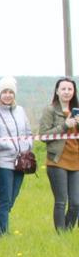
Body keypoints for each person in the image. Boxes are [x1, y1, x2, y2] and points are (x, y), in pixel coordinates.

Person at [0, 82, 31, 235]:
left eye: (10, 92)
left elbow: (28, 132)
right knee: (4, 200)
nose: (8, 95)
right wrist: (8, 145)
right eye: (4, 92)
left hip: (21, 162)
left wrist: (27, 145)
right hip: (4, 163)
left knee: (11, 200)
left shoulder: (21, 111)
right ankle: (2, 234)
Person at [42, 78, 79, 233]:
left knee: (76, 203)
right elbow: (44, 135)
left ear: (74, 92)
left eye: (69, 89)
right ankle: (61, 235)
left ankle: (67, 232)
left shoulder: (76, 110)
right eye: (63, 89)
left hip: (76, 161)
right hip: (57, 161)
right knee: (61, 201)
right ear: (57, 91)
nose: (66, 92)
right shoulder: (50, 110)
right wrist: (65, 125)